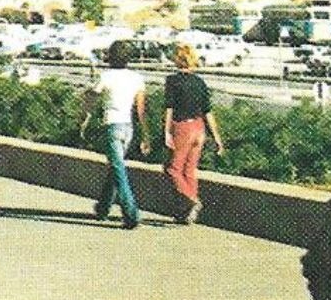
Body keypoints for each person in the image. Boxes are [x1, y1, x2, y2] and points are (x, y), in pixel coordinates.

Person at [81, 40, 152, 229]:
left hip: (111, 125)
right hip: (128, 128)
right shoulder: (136, 78)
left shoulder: (106, 77)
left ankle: (131, 213)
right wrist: (145, 136)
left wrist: (85, 117)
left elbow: (91, 98)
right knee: (115, 168)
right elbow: (140, 110)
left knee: (118, 169)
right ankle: (103, 207)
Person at [162, 44, 226, 224]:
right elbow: (208, 112)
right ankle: (186, 214)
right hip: (199, 128)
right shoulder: (200, 82)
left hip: (182, 128)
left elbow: (169, 108)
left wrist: (166, 131)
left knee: (173, 169)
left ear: (177, 59)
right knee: (189, 170)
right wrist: (217, 139)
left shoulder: (172, 81)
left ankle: (192, 200)